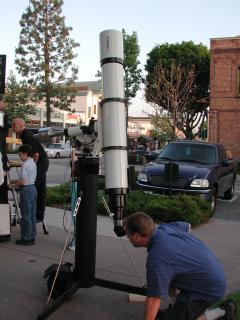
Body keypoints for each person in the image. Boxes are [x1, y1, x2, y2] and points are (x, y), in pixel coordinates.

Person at [123, 212, 228, 320]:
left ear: (136, 236)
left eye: (128, 234)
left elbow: (154, 299)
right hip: (212, 276)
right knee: (167, 276)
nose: (127, 237)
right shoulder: (164, 228)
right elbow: (187, 226)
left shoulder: (158, 257)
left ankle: (220, 313)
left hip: (208, 292)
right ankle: (179, 307)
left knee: (157, 305)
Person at [12, 118, 49, 222]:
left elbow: (36, 154)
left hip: (40, 163)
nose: (12, 127)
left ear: (20, 125)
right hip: (42, 162)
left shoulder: (26, 136)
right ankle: (38, 215)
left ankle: (30, 213)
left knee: (31, 187)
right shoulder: (24, 135)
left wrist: (31, 167)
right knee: (41, 189)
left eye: (14, 125)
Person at [9, 144, 37, 245]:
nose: (19, 157)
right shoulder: (32, 162)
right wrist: (16, 180)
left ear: (25, 154)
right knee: (32, 214)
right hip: (33, 189)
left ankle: (26, 238)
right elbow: (28, 178)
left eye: (20, 155)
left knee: (25, 215)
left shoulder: (25, 164)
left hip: (26, 190)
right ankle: (32, 235)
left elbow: (23, 182)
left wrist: (12, 185)